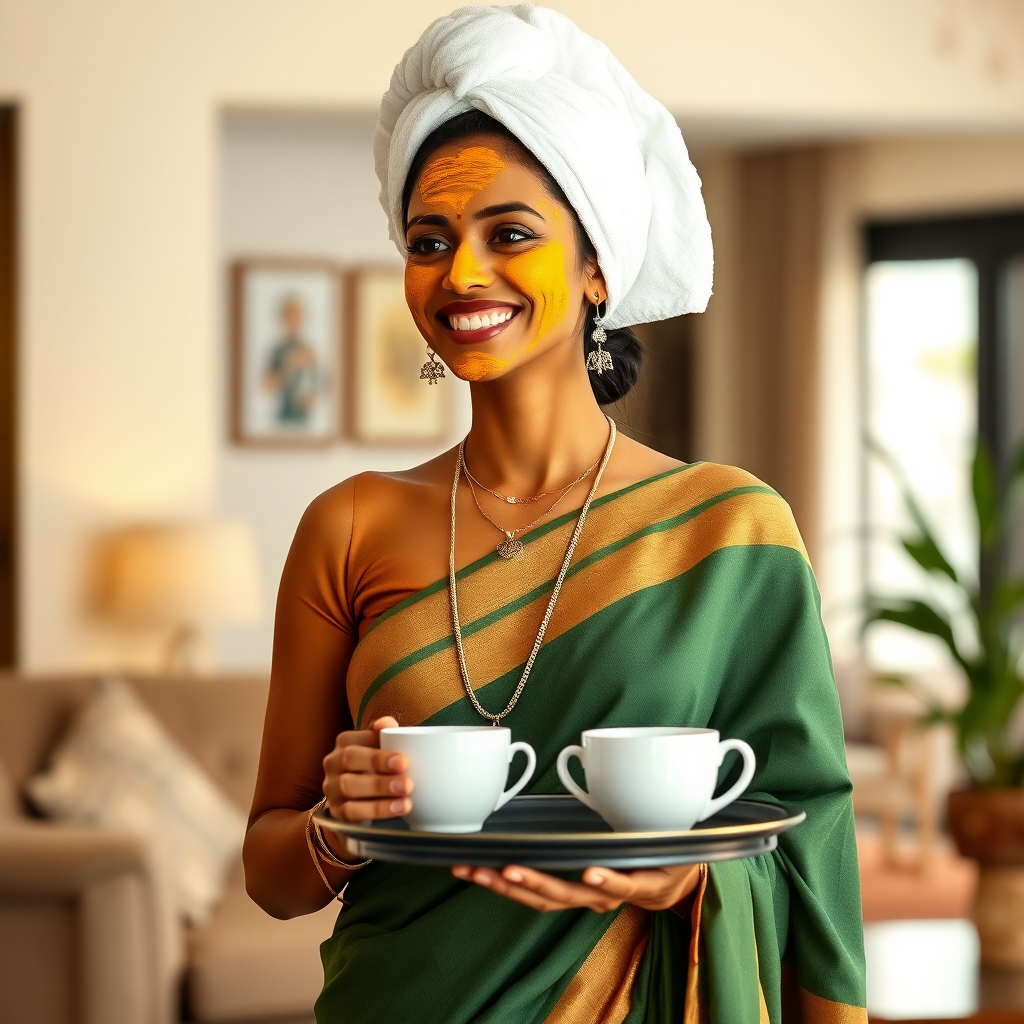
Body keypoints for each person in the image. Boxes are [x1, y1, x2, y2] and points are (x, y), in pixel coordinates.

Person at [243, 7, 866, 1023]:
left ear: (597, 268)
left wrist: (690, 880)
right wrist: (335, 826)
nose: (462, 272)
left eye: (511, 233)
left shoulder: (729, 529)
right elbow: (269, 869)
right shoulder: (347, 526)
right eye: (429, 238)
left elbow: (807, 830)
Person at [263, 294, 320, 425]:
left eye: (297, 317)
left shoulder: (308, 350)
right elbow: (269, 387)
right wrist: (289, 365)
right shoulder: (277, 350)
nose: (293, 321)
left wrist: (312, 396)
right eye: (289, 317)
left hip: (304, 416)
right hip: (283, 414)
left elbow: (318, 385)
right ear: (283, 319)